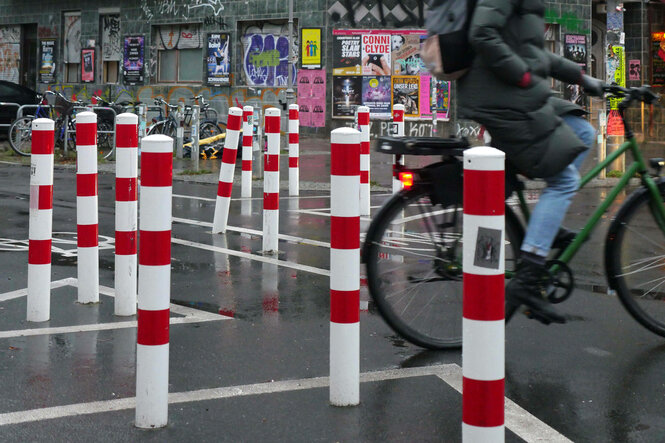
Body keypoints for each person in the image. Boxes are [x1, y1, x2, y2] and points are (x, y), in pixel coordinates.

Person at [458, 0, 604, 324]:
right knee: (565, 180)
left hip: (510, 92)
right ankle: (528, 276)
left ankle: (543, 228)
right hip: (502, 98)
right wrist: (523, 76)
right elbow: (482, 33)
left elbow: (536, 55)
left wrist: (582, 77)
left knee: (583, 131)